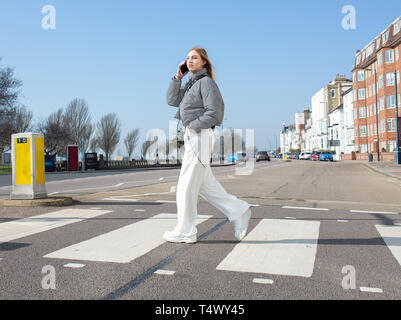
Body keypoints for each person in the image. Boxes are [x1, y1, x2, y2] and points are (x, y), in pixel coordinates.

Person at [164, 47, 252, 244]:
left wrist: (193, 127)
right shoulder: (190, 84)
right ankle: (240, 211)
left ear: (204, 62)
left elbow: (215, 113)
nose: (190, 61)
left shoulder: (207, 83)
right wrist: (177, 76)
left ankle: (185, 231)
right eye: (187, 58)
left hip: (200, 136)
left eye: (194, 58)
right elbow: (172, 100)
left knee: (186, 186)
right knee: (206, 186)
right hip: (193, 137)